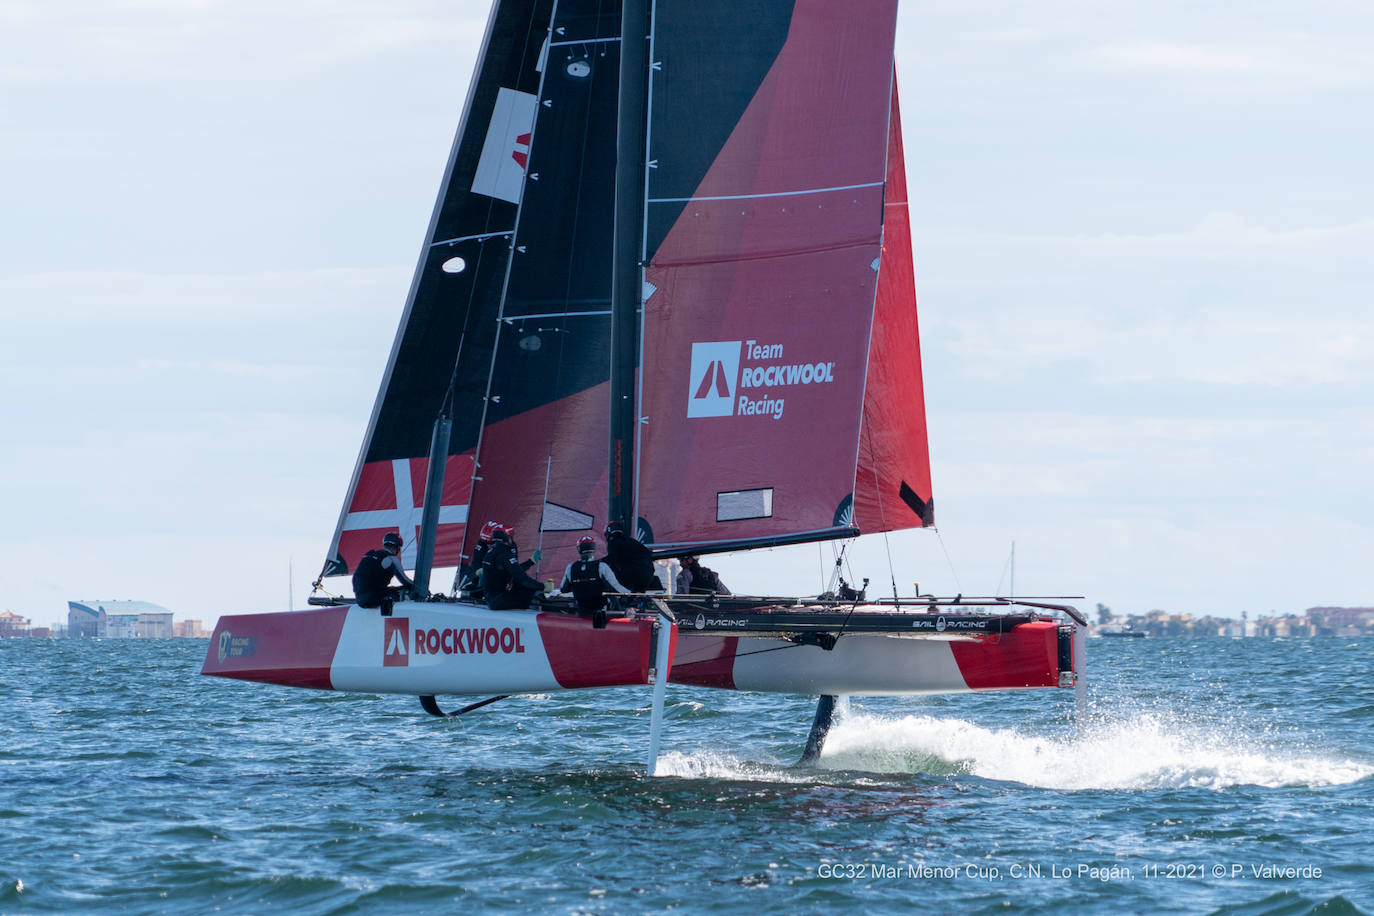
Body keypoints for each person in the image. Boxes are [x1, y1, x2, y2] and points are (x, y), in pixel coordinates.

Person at [560, 536, 630, 626]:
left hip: (581, 613)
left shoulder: (570, 567)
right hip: (600, 614)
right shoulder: (601, 566)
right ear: (593, 549)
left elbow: (563, 589)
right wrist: (630, 594)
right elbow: (617, 588)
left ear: (579, 549)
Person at [481, 525, 544, 610]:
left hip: (492, 599)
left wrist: (531, 561)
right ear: (505, 538)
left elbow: (514, 570)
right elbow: (521, 578)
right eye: (511, 537)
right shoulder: (504, 555)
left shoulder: (491, 552)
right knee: (530, 591)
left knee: (523, 587)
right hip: (498, 602)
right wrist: (543, 586)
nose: (512, 539)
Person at [352, 532, 417, 609]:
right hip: (374, 597)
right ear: (397, 547)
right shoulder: (391, 558)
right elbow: (404, 580)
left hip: (360, 599)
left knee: (388, 589)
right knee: (404, 590)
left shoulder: (370, 554)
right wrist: (417, 587)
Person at [603, 520, 662, 593]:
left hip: (631, 577)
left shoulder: (613, 542)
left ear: (608, 533)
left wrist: (599, 563)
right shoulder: (633, 541)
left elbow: (612, 559)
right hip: (648, 576)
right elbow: (647, 554)